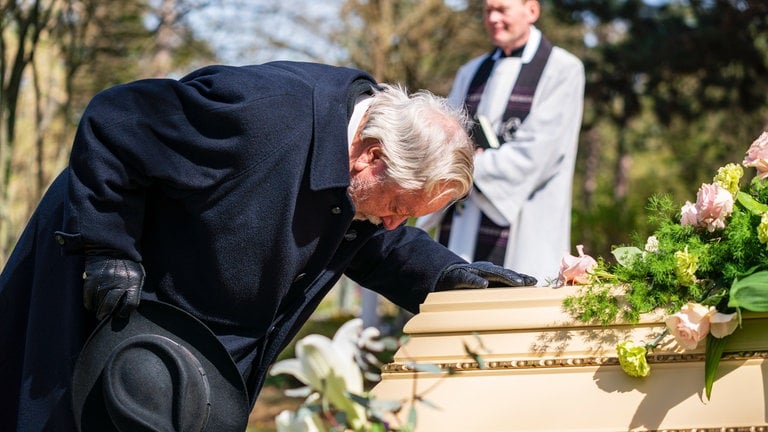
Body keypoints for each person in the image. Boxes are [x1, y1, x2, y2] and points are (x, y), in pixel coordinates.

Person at [0, 61, 537, 431]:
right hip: (98, 274)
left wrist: (449, 278)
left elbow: (370, 242)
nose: (395, 223)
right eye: (400, 205)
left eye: (410, 217)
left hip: (179, 332)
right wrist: (107, 247)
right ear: (371, 157)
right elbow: (118, 118)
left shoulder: (366, 173)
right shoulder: (261, 115)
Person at [418, 0, 585, 283]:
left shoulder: (562, 69)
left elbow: (538, 151)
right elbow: (446, 136)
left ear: (531, 10)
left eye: (502, 9)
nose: (493, 18)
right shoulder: (471, 71)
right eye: (487, 11)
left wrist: (468, 165)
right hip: (466, 220)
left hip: (524, 216)